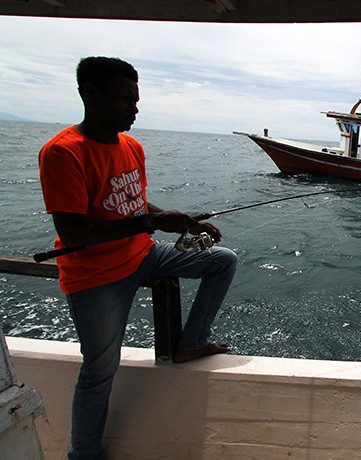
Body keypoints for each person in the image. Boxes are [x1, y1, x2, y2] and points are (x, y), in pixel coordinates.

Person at [38, 57, 238, 460]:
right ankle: (84, 454)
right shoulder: (63, 153)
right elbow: (75, 230)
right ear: (89, 95)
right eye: (125, 99)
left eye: (136, 99)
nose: (134, 109)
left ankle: (190, 343)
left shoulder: (131, 146)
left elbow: (131, 202)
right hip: (96, 275)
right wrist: (152, 221)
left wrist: (182, 223)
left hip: (143, 254)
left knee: (222, 260)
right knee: (99, 372)